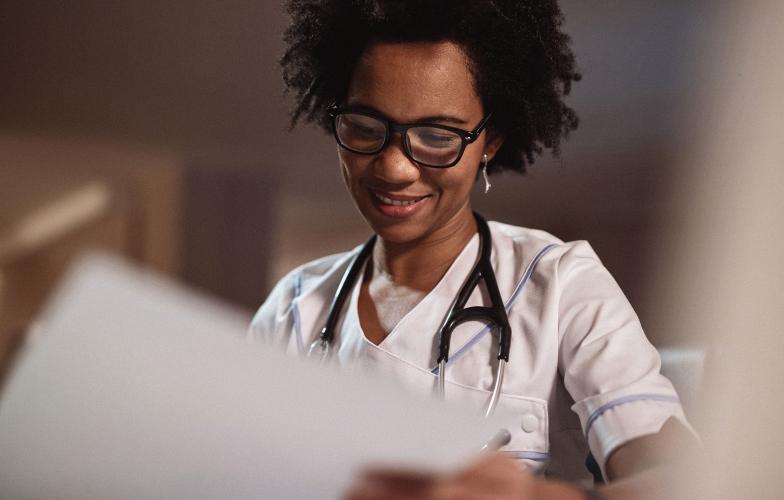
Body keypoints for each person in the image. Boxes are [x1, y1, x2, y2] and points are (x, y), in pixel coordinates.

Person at [250, 1, 696, 498]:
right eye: (365, 127)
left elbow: (680, 478)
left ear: (490, 142)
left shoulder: (562, 284)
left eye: (438, 135)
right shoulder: (294, 308)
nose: (394, 168)